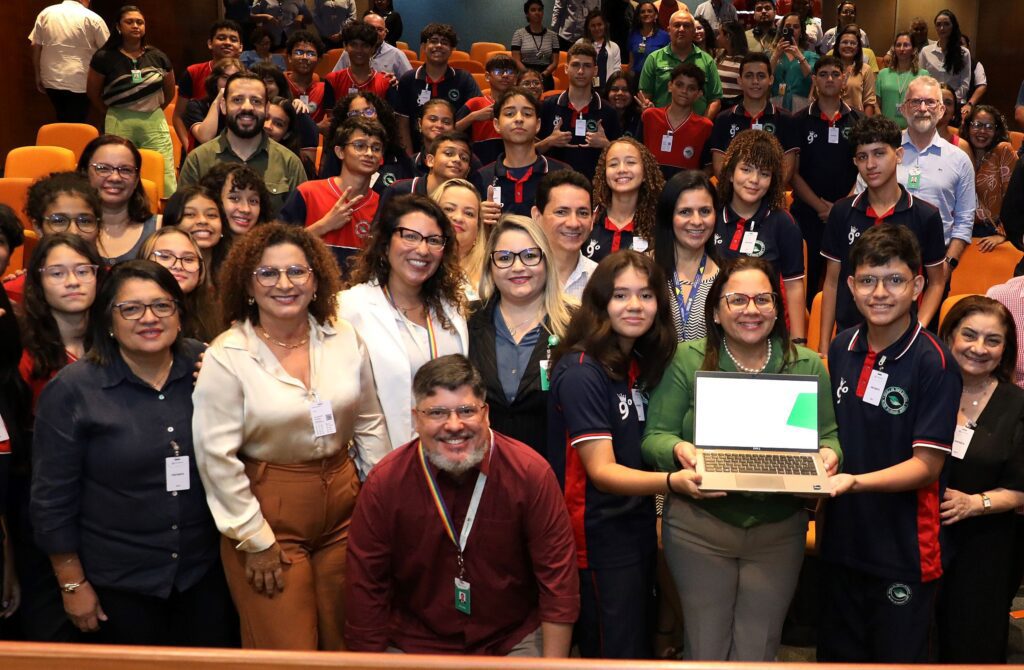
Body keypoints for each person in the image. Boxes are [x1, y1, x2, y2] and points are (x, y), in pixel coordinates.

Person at [192, 224, 388, 650]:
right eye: (268, 274)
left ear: (316, 279)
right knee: (287, 650)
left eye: (297, 272)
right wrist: (253, 538)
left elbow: (370, 420)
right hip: (269, 515)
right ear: (247, 284)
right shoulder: (228, 355)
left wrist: (379, 499)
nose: (284, 284)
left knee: (347, 642)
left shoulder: (343, 337)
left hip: (343, 505)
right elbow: (215, 458)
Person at [642, 255, 840, 661]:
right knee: (706, 646)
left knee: (759, 648)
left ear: (777, 308)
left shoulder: (805, 365)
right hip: (701, 526)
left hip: (778, 527)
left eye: (763, 300)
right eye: (737, 300)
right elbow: (654, 438)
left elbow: (830, 437)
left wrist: (828, 455)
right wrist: (680, 450)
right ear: (715, 311)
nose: (751, 310)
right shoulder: (688, 359)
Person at [31, 260, 237, 645]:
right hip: (117, 585)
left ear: (179, 313)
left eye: (162, 306)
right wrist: (72, 584)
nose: (149, 318)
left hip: (203, 576)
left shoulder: (208, 366)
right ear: (109, 320)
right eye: (131, 308)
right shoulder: (73, 390)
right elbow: (51, 500)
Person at [344, 353, 578, 655]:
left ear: (487, 414)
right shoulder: (384, 484)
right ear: (416, 419)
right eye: (437, 413)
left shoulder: (531, 474)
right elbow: (365, 590)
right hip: (415, 643)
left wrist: (552, 668)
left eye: (466, 410)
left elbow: (558, 585)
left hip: (511, 638)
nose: (454, 425)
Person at [820, 224, 960, 663]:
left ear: (918, 285)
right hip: (842, 541)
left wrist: (854, 482)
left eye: (895, 280)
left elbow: (927, 467)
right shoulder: (842, 347)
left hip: (904, 550)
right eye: (867, 280)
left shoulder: (933, 362)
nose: (880, 293)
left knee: (896, 661)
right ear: (851, 286)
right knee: (838, 657)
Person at [547, 250, 680, 659]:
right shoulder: (583, 370)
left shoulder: (635, 361)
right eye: (621, 295)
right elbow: (602, 471)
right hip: (596, 538)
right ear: (601, 301)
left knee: (634, 647)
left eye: (645, 295)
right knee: (612, 653)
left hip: (633, 526)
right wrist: (675, 483)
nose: (635, 306)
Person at [934, 296, 1024, 662]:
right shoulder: (925, 391)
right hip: (919, 539)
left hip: (986, 546)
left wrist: (975, 503)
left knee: (971, 647)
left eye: (993, 340)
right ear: (949, 337)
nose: (978, 348)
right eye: (969, 335)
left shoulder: (1016, 405)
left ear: (1006, 351)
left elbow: (1021, 492)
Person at [339, 194, 468, 449]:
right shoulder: (349, 308)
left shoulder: (452, 309)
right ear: (385, 244)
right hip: (384, 464)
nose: (422, 250)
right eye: (410, 236)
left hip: (448, 457)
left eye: (433, 240)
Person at [818, 115, 946, 353]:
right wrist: (824, 345)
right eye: (862, 157)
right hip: (850, 336)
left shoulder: (925, 215)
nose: (870, 165)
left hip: (903, 338)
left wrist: (917, 329)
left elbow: (937, 281)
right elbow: (832, 282)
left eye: (879, 153)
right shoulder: (842, 211)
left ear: (898, 155)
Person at [468, 214, 573, 455]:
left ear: (546, 261)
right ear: (490, 266)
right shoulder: (465, 320)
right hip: (480, 470)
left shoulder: (577, 324)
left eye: (530, 256)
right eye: (504, 258)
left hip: (553, 471)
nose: (518, 267)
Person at [871, 75, 976, 275]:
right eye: (915, 102)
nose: (922, 108)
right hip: (881, 260)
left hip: (936, 263)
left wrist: (948, 265)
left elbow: (964, 221)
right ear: (903, 109)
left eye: (930, 102)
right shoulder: (882, 151)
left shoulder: (960, 159)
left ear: (941, 110)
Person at [714, 130, 806, 342]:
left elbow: (794, 286)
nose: (754, 180)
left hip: (767, 328)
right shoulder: (711, 217)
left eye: (764, 174)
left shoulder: (783, 223)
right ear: (729, 173)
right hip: (717, 327)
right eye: (746, 170)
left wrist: (798, 342)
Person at [179, 72, 308, 216]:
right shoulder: (198, 159)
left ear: (266, 109)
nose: (247, 107)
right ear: (223, 105)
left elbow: (299, 228)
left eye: (256, 101)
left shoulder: (289, 163)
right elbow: (183, 220)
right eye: (237, 100)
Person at [790, 56, 863, 303]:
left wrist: (841, 208)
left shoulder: (859, 121)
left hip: (849, 215)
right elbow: (793, 173)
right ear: (814, 80)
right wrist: (822, 208)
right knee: (805, 284)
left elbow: (865, 170)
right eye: (823, 74)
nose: (829, 79)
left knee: (847, 286)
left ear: (844, 79)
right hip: (807, 215)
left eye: (835, 73)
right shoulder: (798, 120)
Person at [87, 6, 177, 197]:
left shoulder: (157, 56)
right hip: (119, 119)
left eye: (140, 22)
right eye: (129, 22)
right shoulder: (104, 57)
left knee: (163, 169)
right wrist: (113, 111)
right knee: (119, 167)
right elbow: (93, 92)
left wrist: (150, 108)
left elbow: (169, 91)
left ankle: (164, 210)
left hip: (153, 119)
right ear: (118, 27)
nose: (135, 26)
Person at [279, 118, 385, 261]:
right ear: (340, 152)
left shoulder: (382, 206)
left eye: (376, 148)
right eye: (360, 146)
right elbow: (277, 247)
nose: (369, 153)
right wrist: (324, 226)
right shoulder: (308, 193)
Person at [3, 172, 103, 304]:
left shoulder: (117, 287)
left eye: (85, 221)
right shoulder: (14, 293)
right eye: (59, 221)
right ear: (38, 228)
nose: (73, 231)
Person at [478, 87, 572, 218]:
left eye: (527, 114)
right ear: (496, 124)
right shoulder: (482, 177)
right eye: (509, 114)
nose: (519, 119)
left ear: (538, 125)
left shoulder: (563, 173)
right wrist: (476, 217)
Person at [389, 23, 481, 154]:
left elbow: (476, 116)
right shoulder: (408, 79)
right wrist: (410, 160)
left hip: (456, 153)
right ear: (423, 47)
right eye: (433, 41)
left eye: (444, 42)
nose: (438, 45)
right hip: (417, 153)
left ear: (452, 49)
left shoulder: (464, 79)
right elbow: (402, 124)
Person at [708, 53, 797, 184]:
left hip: (770, 198)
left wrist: (766, 193)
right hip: (733, 197)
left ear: (770, 80)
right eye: (749, 76)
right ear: (740, 80)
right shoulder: (723, 119)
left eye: (761, 76)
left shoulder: (785, 119)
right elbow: (719, 167)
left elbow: (787, 168)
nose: (755, 81)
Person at [652, 170, 720, 341]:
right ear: (669, 216)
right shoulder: (642, 270)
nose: (697, 221)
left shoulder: (726, 276)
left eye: (705, 211)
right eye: (685, 212)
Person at [536, 42, 620, 179]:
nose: (581, 71)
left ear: (595, 71)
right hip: (554, 187)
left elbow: (623, 156)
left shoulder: (608, 111)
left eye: (587, 66)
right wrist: (549, 141)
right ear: (566, 68)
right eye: (575, 65)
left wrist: (606, 145)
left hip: (594, 188)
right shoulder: (547, 106)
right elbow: (528, 152)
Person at [77, 135, 158, 267]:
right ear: (84, 173)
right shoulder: (66, 230)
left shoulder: (159, 229)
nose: (115, 177)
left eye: (126, 170)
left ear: (137, 179)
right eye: (103, 168)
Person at [29, 0, 109, 123]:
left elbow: (35, 45)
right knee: (76, 121)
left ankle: (62, 141)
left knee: (62, 117)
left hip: (51, 78)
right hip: (80, 80)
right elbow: (107, 51)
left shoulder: (46, 13)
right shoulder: (93, 18)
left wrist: (37, 75)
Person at [585, 138, 665, 262]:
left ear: (645, 172)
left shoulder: (660, 225)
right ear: (604, 174)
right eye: (613, 164)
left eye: (631, 162)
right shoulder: (590, 220)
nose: (622, 169)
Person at [138, 226, 222, 342]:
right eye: (165, 257)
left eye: (188, 259)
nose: (178, 266)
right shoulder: (129, 313)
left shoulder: (218, 317)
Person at [172, 20, 244, 154]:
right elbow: (178, 116)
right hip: (198, 146)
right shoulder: (193, 72)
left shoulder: (249, 78)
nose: (227, 42)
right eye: (221, 38)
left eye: (233, 39)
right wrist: (189, 147)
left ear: (240, 47)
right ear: (210, 43)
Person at [639, 8, 722, 117]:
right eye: (677, 25)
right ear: (669, 30)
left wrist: (702, 124)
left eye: (686, 26)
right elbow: (645, 96)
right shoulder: (654, 59)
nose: (681, 29)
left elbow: (715, 100)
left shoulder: (707, 61)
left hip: (696, 129)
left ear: (693, 31)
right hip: (661, 125)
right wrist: (648, 109)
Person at [531, 170, 597, 298]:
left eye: (582, 213)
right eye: (561, 212)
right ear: (537, 216)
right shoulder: (520, 276)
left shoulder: (602, 279)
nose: (573, 223)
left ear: (592, 220)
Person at [641, 64, 713, 180]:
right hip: (650, 190)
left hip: (685, 193)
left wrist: (692, 186)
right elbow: (635, 152)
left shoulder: (705, 126)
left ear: (699, 94)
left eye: (691, 88)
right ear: (670, 86)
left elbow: (709, 167)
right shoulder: (650, 116)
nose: (684, 91)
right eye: (679, 85)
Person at [964, 105, 1017, 250]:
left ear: (996, 131)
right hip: (962, 230)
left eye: (989, 127)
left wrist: (1002, 234)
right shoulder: (960, 152)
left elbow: (1015, 199)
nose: (982, 131)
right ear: (968, 127)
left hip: (992, 230)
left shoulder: (1003, 150)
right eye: (977, 125)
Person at [162, 185, 232, 288]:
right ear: (172, 224)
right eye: (190, 214)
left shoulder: (236, 271)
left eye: (211, 215)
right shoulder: (160, 271)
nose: (203, 221)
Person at [455, 54, 520, 165]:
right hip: (481, 161)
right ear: (487, 76)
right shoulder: (475, 103)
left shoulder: (522, 104)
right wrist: (472, 117)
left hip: (515, 160)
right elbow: (450, 131)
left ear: (516, 78)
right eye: (499, 71)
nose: (505, 75)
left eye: (510, 72)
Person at [431, 179, 488, 299]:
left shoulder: (492, 274)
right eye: (449, 209)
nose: (458, 218)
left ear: (478, 228)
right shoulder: (414, 268)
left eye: (469, 213)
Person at [324, 22, 392, 103]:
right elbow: (330, 115)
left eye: (365, 45)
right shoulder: (333, 80)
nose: (359, 50)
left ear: (373, 48)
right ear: (345, 46)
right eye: (353, 45)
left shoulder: (386, 82)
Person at [329, 13, 411, 79]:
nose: (375, 33)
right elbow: (335, 77)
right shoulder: (351, 52)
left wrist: (397, 84)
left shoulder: (397, 54)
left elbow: (410, 84)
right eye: (371, 28)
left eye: (380, 29)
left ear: (385, 33)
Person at [184, 58, 243, 149]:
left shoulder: (245, 108)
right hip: (205, 159)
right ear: (216, 80)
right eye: (225, 78)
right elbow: (205, 138)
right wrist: (219, 98)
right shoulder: (196, 105)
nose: (230, 83)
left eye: (235, 78)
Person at [200, 163, 273, 236]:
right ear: (214, 200)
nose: (246, 209)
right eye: (235, 198)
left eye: (253, 201)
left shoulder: (272, 245)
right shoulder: (196, 245)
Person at [875, 32, 929, 129]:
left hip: (914, 130)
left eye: (906, 45)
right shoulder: (883, 74)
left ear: (914, 50)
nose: (902, 49)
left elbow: (926, 105)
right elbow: (876, 104)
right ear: (894, 49)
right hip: (886, 130)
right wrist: (882, 123)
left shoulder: (923, 75)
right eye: (898, 45)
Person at [919, 10, 971, 105]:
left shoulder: (964, 53)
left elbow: (965, 84)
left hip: (953, 103)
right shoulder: (925, 51)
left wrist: (948, 100)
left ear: (953, 26)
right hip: (930, 102)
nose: (942, 28)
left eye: (946, 24)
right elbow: (921, 80)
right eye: (938, 25)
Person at [284, 30, 335, 125]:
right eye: (299, 52)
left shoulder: (325, 89)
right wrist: (318, 127)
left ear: (319, 60)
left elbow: (330, 123)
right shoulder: (280, 83)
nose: (304, 57)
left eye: (311, 54)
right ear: (289, 57)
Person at [770, 12, 817, 112]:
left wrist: (799, 56)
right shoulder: (770, 54)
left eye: (796, 27)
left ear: (801, 31)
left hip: (801, 104)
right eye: (788, 26)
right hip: (775, 103)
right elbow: (766, 74)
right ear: (782, 30)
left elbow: (811, 77)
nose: (792, 30)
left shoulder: (810, 56)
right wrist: (776, 55)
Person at [512, 0, 561, 91]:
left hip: (545, 76)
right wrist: (529, 75)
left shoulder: (553, 36)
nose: (537, 13)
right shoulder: (519, 34)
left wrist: (542, 75)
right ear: (527, 14)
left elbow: (555, 62)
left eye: (539, 10)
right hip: (524, 75)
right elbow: (516, 60)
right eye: (533, 10)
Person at [832, 25, 875, 116]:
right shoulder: (829, 68)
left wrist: (866, 126)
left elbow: (869, 102)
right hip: (830, 118)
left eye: (853, 43)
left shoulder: (865, 69)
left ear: (858, 48)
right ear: (837, 46)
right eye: (844, 42)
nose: (848, 46)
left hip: (856, 121)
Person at [575, 10, 621, 87]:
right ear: (588, 27)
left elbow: (616, 71)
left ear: (605, 25)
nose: (596, 28)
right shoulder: (580, 44)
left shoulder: (614, 47)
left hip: (606, 88)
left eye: (599, 25)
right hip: (584, 87)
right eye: (593, 26)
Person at [627, 1, 670, 76]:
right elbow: (631, 61)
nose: (646, 14)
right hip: (636, 78)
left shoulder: (664, 36)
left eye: (650, 11)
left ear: (656, 15)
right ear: (639, 16)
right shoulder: (633, 34)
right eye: (642, 12)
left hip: (656, 77)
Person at [714, 20, 748, 105]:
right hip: (718, 105)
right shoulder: (719, 56)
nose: (717, 38)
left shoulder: (746, 60)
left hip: (737, 106)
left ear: (728, 36)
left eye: (719, 34)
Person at [604, 72, 644, 139]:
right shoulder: (600, 116)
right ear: (607, 92)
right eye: (615, 89)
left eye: (625, 90)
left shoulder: (639, 118)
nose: (620, 93)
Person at [936, 83, 968, 152]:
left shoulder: (962, 147)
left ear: (954, 112)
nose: (942, 106)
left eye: (948, 103)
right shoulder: (910, 139)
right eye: (938, 101)